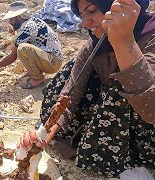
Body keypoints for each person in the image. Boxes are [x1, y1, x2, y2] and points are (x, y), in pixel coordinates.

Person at [18, 0, 155, 177]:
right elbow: (69, 97)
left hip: (144, 127)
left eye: (92, 11)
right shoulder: (94, 46)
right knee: (68, 73)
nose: (84, 23)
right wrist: (42, 136)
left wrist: (124, 42)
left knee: (122, 82)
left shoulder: (151, 37)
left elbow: (151, 110)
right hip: (111, 117)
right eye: (81, 15)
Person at [0, 1, 63, 89]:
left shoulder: (27, 28)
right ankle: (33, 73)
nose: (10, 22)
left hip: (53, 62)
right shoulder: (33, 22)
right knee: (23, 47)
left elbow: (13, 56)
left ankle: (38, 79)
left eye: (11, 18)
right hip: (52, 59)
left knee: (22, 49)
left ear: (18, 17)